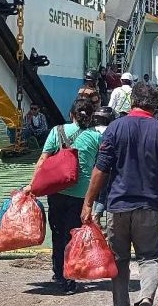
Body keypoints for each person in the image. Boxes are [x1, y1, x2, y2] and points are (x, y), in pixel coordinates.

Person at [82, 82, 158, 306]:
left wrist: (88, 203)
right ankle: (146, 298)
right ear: (154, 105)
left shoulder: (114, 128)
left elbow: (101, 169)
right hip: (148, 207)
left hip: (117, 206)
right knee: (150, 257)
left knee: (118, 260)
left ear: (132, 102)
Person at [25, 98, 102, 294]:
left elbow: (43, 160)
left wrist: (32, 185)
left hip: (56, 190)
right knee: (73, 235)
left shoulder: (57, 131)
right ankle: (69, 277)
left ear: (71, 115)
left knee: (58, 233)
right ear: (91, 117)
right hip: (81, 194)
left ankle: (58, 273)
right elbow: (101, 165)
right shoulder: (96, 137)